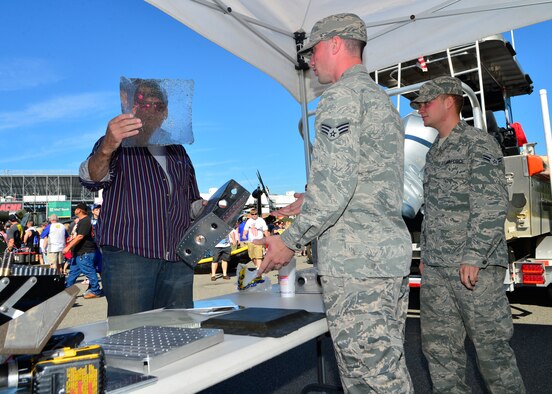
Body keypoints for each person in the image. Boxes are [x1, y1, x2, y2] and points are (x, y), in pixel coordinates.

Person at [256, 13, 413, 393]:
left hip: (357, 264)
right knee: (384, 369)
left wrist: (288, 242)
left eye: (313, 51)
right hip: (382, 258)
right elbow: (367, 180)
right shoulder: (378, 98)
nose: (309, 61)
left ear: (336, 43)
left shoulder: (341, 97)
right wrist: (311, 199)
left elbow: (336, 186)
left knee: (371, 380)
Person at [413, 76, 525, 393]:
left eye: (426, 102)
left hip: (473, 270)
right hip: (437, 269)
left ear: (449, 101)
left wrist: (474, 255)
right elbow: (433, 210)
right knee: (440, 353)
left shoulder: (478, 143)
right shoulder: (434, 152)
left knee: (493, 356)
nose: (420, 108)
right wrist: (427, 257)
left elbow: (491, 204)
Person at [79, 78, 201, 317]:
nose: (151, 111)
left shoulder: (177, 148)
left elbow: (191, 201)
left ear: (165, 112)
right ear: (132, 107)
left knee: (178, 333)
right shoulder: (116, 142)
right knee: (130, 336)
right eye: (144, 104)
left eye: (158, 106)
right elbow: (91, 180)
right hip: (130, 255)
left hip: (177, 257)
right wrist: (106, 147)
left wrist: (207, 207)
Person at [64, 203, 103, 299]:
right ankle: (67, 292)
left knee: (89, 272)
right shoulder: (81, 221)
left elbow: (80, 236)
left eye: (76, 208)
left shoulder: (85, 221)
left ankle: (95, 290)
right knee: (72, 273)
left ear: (80, 210)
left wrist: (68, 247)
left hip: (85, 252)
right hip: (78, 253)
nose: (75, 210)